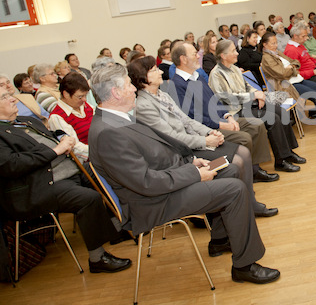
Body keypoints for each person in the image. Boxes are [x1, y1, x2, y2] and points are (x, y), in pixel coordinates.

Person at [87, 65, 280, 284]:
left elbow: (155, 156)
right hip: (152, 202)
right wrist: (194, 174)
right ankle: (245, 265)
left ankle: (220, 239)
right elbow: (145, 182)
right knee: (234, 190)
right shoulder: (108, 132)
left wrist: (191, 162)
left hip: (167, 182)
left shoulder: (117, 119)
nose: (134, 89)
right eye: (129, 85)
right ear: (116, 92)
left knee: (230, 168)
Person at [0, 84, 132, 274]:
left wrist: (63, 138)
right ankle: (97, 258)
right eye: (5, 97)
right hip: (37, 186)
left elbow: (53, 135)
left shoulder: (25, 121)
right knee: (88, 199)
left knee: (106, 172)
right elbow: (11, 165)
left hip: (67, 171)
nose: (14, 99)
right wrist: (55, 150)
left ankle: (118, 228)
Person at [128, 56, 277, 217]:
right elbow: (171, 137)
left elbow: (187, 120)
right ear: (143, 79)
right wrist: (205, 141)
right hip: (182, 153)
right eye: (154, 70)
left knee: (243, 152)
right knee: (238, 159)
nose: (159, 72)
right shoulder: (144, 105)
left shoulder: (162, 95)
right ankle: (244, 204)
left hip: (192, 142)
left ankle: (249, 203)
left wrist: (208, 132)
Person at [170, 42, 282, 177]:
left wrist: (227, 116)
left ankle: (255, 168)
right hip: (207, 128)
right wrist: (221, 125)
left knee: (257, 126)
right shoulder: (177, 85)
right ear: (183, 59)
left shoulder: (197, 76)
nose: (198, 57)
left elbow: (214, 100)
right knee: (245, 137)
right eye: (194, 54)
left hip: (220, 119)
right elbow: (193, 117)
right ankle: (251, 172)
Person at [209, 40, 306, 172]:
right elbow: (226, 98)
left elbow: (247, 86)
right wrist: (253, 96)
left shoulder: (235, 68)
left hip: (248, 104)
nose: (237, 53)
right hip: (235, 111)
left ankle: (288, 152)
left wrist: (258, 93)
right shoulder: (216, 74)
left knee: (281, 112)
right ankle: (280, 160)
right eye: (233, 51)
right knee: (273, 119)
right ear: (223, 55)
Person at [259, 32, 316, 137]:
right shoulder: (266, 58)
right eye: (272, 43)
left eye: (276, 43)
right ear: (265, 45)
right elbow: (282, 74)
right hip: (287, 86)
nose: (276, 45)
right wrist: (292, 68)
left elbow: (295, 62)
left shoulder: (277, 53)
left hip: (297, 79)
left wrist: (291, 67)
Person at [48, 72, 94, 162]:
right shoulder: (57, 117)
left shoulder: (85, 106)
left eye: (85, 95)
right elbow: (75, 148)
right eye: (80, 97)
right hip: (88, 160)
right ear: (66, 94)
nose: (84, 99)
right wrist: (101, 151)